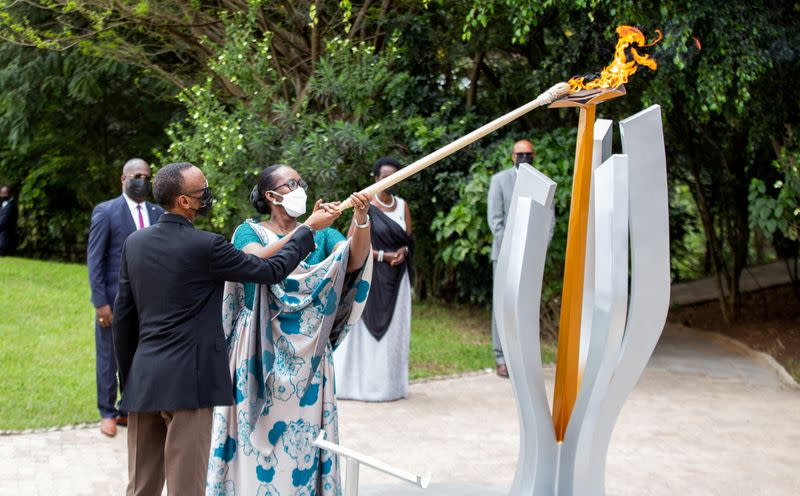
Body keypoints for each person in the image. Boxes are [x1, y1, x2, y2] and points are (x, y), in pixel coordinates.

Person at [113, 162, 337, 496]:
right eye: (202, 191)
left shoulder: (135, 243)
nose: (208, 195)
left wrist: (128, 379)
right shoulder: (206, 246)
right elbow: (270, 269)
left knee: (140, 488)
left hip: (144, 379)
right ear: (185, 202)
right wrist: (308, 231)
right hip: (191, 383)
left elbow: (123, 318)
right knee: (186, 487)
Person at [207, 164, 372, 496]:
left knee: (305, 442)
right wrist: (308, 227)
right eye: (291, 183)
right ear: (270, 196)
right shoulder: (249, 232)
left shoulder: (324, 235)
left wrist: (361, 219)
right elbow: (256, 263)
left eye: (301, 181)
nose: (300, 187)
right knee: (254, 441)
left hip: (309, 357)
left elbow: (352, 260)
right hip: (257, 347)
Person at [86, 158, 164, 437]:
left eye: (146, 176)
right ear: (123, 179)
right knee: (109, 357)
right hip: (114, 300)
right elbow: (95, 260)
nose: (142, 180)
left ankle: (127, 409)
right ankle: (107, 412)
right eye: (136, 176)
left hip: (150, 301)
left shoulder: (158, 213)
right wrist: (100, 303)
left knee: (139, 356)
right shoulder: (106, 212)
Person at [334, 157, 414, 401]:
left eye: (393, 177)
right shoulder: (365, 205)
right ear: (376, 178)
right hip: (371, 274)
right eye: (384, 177)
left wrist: (403, 252)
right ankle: (362, 386)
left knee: (394, 333)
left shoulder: (402, 206)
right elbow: (351, 242)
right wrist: (382, 255)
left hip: (397, 278)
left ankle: (390, 387)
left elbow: (408, 239)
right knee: (364, 331)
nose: (388, 181)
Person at [487, 140, 535, 378]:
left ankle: (522, 357)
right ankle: (501, 357)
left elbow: (549, 222)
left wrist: (535, 250)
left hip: (531, 257)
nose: (524, 158)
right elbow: (495, 220)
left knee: (526, 305)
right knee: (502, 305)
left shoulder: (541, 181)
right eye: (520, 154)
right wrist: (512, 249)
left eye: (528, 154)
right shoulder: (500, 180)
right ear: (512, 157)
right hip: (504, 255)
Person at [0, 184, 19, 256]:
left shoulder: (11, 206)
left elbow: (3, 222)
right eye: (1, 193)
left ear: (10, 194)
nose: (2, 195)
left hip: (5, 241)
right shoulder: (4, 204)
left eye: (4, 193)